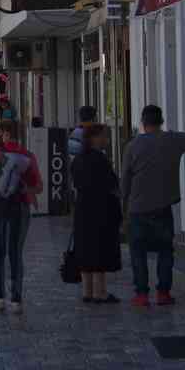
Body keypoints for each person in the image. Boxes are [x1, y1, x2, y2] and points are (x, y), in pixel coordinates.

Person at [122, 105, 185, 307]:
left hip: (137, 208)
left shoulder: (132, 146)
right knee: (165, 251)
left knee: (138, 253)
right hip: (162, 207)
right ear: (161, 122)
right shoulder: (173, 141)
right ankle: (163, 293)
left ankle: (142, 294)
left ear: (143, 124)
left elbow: (125, 179)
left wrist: (123, 206)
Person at [0, 120, 43, 313]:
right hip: (20, 208)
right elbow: (38, 186)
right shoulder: (28, 156)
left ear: (4, 134)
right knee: (15, 252)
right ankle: (16, 298)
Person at [71, 124, 122, 304]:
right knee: (100, 247)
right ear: (93, 138)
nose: (106, 140)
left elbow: (75, 182)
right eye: (103, 136)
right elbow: (112, 184)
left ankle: (87, 291)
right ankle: (100, 292)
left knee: (85, 247)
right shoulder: (100, 159)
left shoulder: (78, 159)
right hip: (101, 209)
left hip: (83, 209)